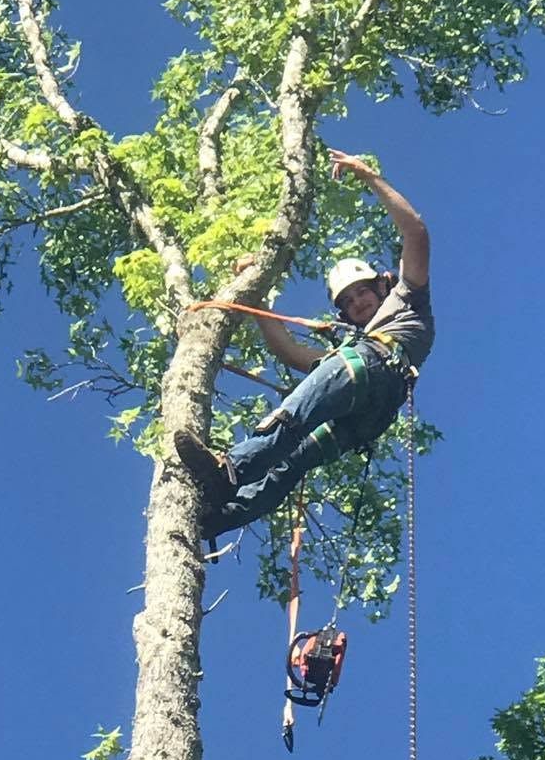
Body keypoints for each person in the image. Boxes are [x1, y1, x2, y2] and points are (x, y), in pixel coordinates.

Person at [173, 150, 433, 542]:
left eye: (360, 293)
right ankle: (215, 518)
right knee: (292, 461)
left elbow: (415, 231)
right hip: (365, 414)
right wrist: (257, 301)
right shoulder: (348, 350)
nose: (356, 304)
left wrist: (369, 177)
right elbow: (291, 354)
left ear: (381, 286)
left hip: (375, 372)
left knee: (297, 411)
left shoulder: (408, 298)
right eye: (346, 302)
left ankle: (231, 467)